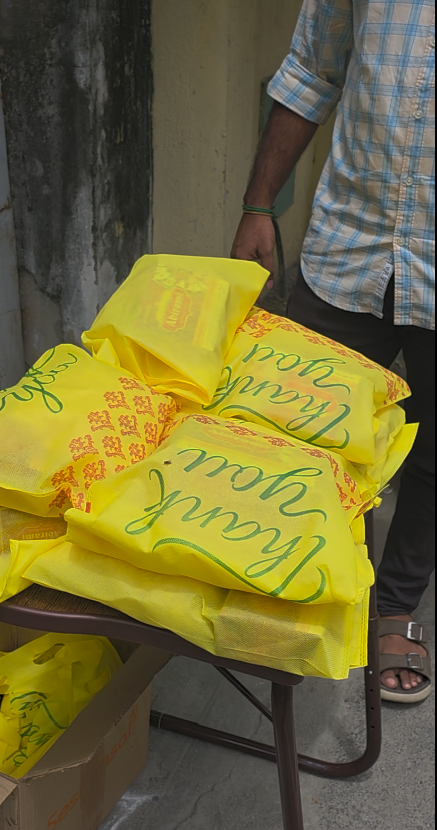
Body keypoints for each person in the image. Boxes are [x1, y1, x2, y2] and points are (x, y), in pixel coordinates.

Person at [231, 0, 435, 702]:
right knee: (296, 429)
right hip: (349, 244)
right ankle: (293, 585)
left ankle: (393, 610)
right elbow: (310, 71)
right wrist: (258, 205)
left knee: (430, 454)